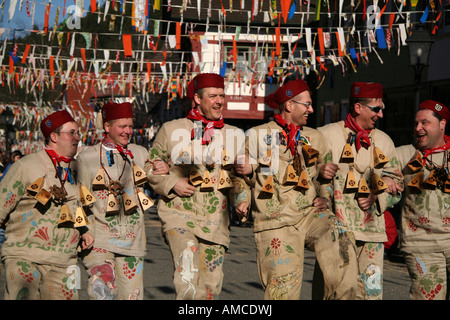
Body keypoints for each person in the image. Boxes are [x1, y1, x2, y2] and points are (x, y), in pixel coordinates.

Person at [234, 78, 358, 300]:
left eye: (311, 105)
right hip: (275, 222)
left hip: (310, 215)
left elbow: (324, 182)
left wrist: (325, 192)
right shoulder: (256, 135)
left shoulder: (315, 137)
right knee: (282, 292)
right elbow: (240, 178)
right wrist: (242, 200)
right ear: (290, 105)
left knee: (340, 239)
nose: (311, 109)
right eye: (306, 104)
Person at [145, 73, 247, 300]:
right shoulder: (172, 129)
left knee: (210, 290)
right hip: (178, 216)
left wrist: (242, 200)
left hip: (216, 223)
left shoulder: (234, 135)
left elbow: (237, 179)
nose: (220, 101)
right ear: (198, 99)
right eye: (213, 96)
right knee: (189, 281)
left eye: (222, 95)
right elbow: (149, 168)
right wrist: (172, 183)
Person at [317, 82, 403, 300]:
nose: (381, 114)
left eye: (382, 108)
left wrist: (379, 191)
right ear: (358, 108)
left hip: (371, 234)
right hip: (335, 233)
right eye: (376, 109)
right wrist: (319, 169)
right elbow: (301, 170)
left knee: (370, 294)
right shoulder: (326, 135)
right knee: (333, 292)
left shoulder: (384, 141)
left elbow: (397, 186)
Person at [77, 102, 168, 300]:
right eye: (122, 126)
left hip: (132, 241)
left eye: (130, 126)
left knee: (131, 297)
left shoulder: (140, 153)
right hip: (98, 238)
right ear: (107, 127)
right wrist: (84, 231)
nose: (128, 131)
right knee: (102, 288)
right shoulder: (87, 157)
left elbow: (156, 177)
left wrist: (162, 168)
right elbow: (80, 199)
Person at [0, 110, 94, 300]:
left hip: (65, 261)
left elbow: (82, 208)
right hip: (24, 257)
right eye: (72, 132)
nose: (77, 138)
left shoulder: (79, 170)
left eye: (78, 133)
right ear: (54, 136)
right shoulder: (26, 166)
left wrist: (86, 230)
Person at [394, 100, 450, 300]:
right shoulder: (403, 154)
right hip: (422, 245)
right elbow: (384, 176)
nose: (418, 128)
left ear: (442, 124)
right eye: (416, 123)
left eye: (425, 122)